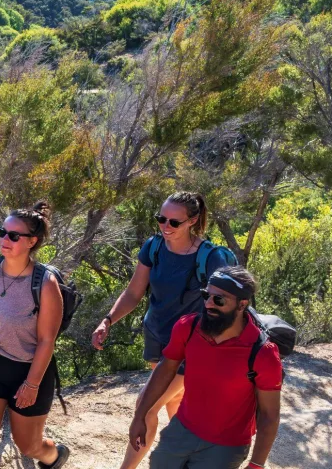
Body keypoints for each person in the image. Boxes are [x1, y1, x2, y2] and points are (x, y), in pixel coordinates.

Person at [92, 192, 236, 469]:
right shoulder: (154, 248)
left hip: (193, 346)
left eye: (174, 222)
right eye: (161, 219)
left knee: (146, 406)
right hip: (158, 337)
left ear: (192, 221)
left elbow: (228, 307)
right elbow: (134, 292)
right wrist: (108, 320)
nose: (165, 226)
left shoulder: (212, 258)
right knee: (179, 406)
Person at [0, 202, 71, 469]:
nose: (4, 240)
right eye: (2, 232)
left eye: (14, 236)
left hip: (27, 372)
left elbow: (46, 340)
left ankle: (54, 456)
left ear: (32, 242)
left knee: (28, 445)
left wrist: (31, 384)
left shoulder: (45, 284)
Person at [129, 266, 281, 469]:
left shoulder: (262, 353)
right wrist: (140, 415)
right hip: (180, 430)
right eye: (206, 295)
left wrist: (257, 463)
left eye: (219, 300)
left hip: (226, 446)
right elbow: (165, 369)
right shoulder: (189, 328)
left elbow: (270, 415)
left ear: (241, 304)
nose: (208, 304)